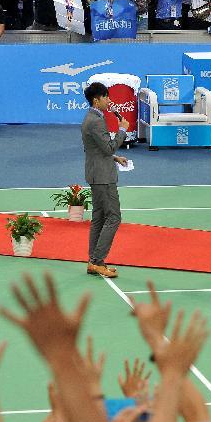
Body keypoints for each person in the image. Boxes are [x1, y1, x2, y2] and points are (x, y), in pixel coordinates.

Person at [82, 81, 130, 278]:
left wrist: (114, 158)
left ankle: (93, 260)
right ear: (97, 100)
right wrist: (122, 130)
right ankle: (98, 260)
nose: (109, 101)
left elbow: (98, 149)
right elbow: (109, 146)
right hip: (103, 177)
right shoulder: (95, 121)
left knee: (99, 218)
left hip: (96, 172)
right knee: (114, 218)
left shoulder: (91, 118)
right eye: (106, 97)